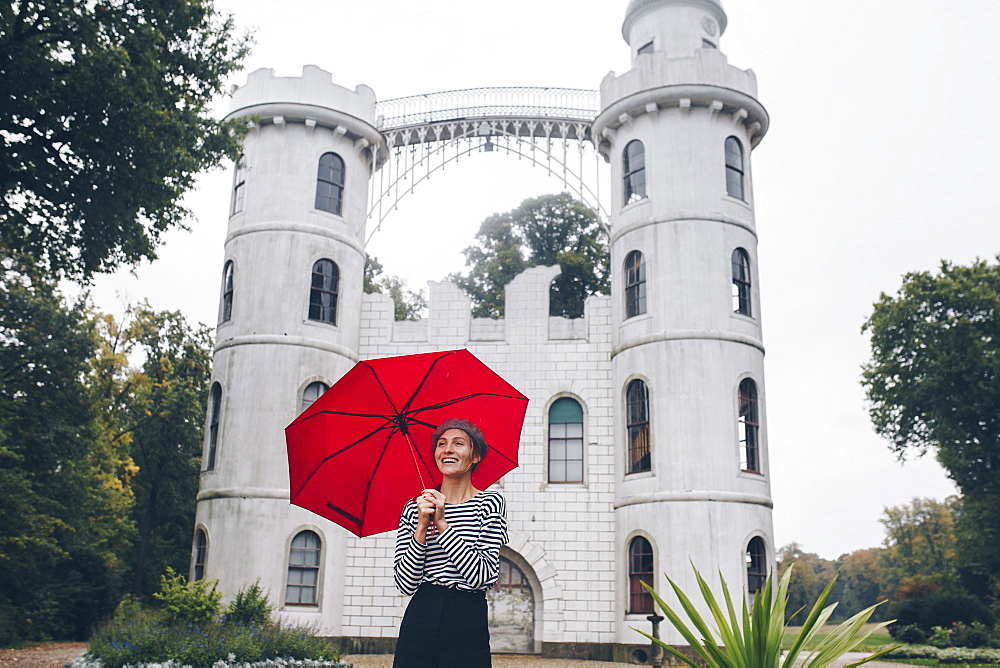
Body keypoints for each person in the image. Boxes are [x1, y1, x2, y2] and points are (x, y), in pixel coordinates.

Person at [392, 418, 508, 668]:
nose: (448, 450)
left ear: (475, 455)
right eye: (441, 444)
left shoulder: (489, 503)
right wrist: (422, 526)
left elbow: (483, 576)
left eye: (458, 443)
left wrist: (443, 525)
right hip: (422, 611)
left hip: (466, 615)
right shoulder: (415, 508)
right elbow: (405, 583)